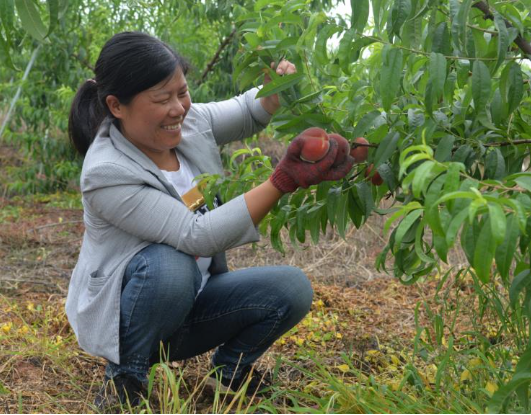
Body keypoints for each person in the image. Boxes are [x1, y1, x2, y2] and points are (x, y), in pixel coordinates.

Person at [66, 31, 354, 409]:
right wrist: (282, 180)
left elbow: (248, 112)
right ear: (117, 106)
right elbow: (196, 235)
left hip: (194, 304)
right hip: (134, 316)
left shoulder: (186, 122)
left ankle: (230, 374)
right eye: (161, 98)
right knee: (172, 265)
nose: (178, 108)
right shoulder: (107, 172)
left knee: (291, 288)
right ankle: (127, 378)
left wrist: (273, 92)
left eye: (181, 93)